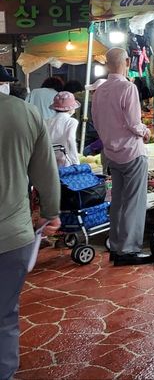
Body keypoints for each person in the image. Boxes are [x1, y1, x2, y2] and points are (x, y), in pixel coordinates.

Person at [0, 66, 61, 380]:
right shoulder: (25, 113)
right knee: (4, 315)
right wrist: (52, 213)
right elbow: (46, 173)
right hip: (13, 236)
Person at [92, 48, 151, 267]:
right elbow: (134, 123)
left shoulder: (100, 89)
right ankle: (128, 250)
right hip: (132, 153)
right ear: (127, 61)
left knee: (117, 201)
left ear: (107, 64)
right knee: (134, 203)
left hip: (111, 154)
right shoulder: (128, 87)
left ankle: (116, 247)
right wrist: (146, 132)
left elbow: (96, 123)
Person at [46, 91, 81, 167]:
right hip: (64, 159)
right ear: (71, 109)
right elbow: (70, 139)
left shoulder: (47, 121)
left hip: (48, 158)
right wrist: (75, 161)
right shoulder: (71, 121)